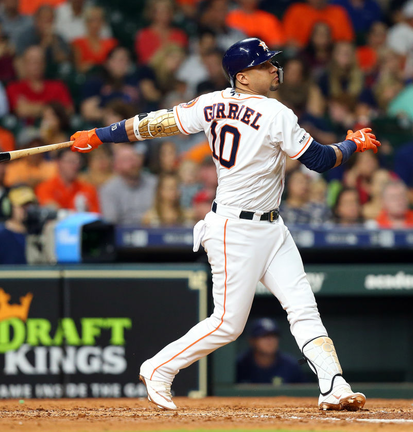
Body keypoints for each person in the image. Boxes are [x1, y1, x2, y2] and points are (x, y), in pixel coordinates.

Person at [63, 37, 379, 411]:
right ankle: (159, 368)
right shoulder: (277, 113)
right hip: (235, 228)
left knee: (303, 309)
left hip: (272, 228)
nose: (273, 69)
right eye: (264, 65)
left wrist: (100, 135)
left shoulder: (212, 102)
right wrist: (352, 144)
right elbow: (323, 161)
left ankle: (334, 386)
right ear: (243, 77)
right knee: (228, 324)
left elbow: (154, 124)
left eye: (271, 63)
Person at [6, 45, 75, 124]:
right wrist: (54, 109)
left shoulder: (58, 86)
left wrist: (32, 108)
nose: (36, 65)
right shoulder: (14, 87)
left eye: (39, 61)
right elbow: (22, 110)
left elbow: (68, 110)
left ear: (44, 64)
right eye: (32, 61)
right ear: (24, 64)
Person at [97, 144, 158, 225]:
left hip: (153, 230)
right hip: (122, 234)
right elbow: (110, 222)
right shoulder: (108, 189)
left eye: (135, 158)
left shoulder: (154, 183)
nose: (133, 163)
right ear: (116, 165)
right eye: (127, 160)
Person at [236, 318, 308, 384]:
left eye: (273, 336)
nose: (270, 341)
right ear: (252, 341)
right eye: (264, 336)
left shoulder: (291, 366)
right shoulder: (240, 365)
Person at [0, 186, 36, 265]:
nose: (27, 209)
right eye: (22, 205)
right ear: (8, 207)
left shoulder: (38, 235)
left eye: (30, 205)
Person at [35, 149, 101, 213]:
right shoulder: (45, 188)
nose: (74, 166)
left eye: (77, 161)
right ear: (58, 163)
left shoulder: (88, 189)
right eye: (70, 161)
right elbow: (50, 209)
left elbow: (95, 215)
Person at [134, 0, 189, 65]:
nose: (165, 14)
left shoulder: (180, 35)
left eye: (168, 11)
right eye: (160, 11)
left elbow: (182, 59)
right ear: (152, 13)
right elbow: (145, 60)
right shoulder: (144, 35)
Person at [282, 0, 354, 49]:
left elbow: (347, 41)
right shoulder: (296, 11)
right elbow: (288, 41)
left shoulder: (338, 12)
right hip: (303, 57)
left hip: (333, 58)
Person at [70, 6, 118, 73]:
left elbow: (115, 66)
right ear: (86, 23)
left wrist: (93, 65)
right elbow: (79, 67)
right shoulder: (77, 43)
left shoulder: (111, 43)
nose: (95, 24)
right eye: (91, 20)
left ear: (103, 22)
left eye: (98, 20)